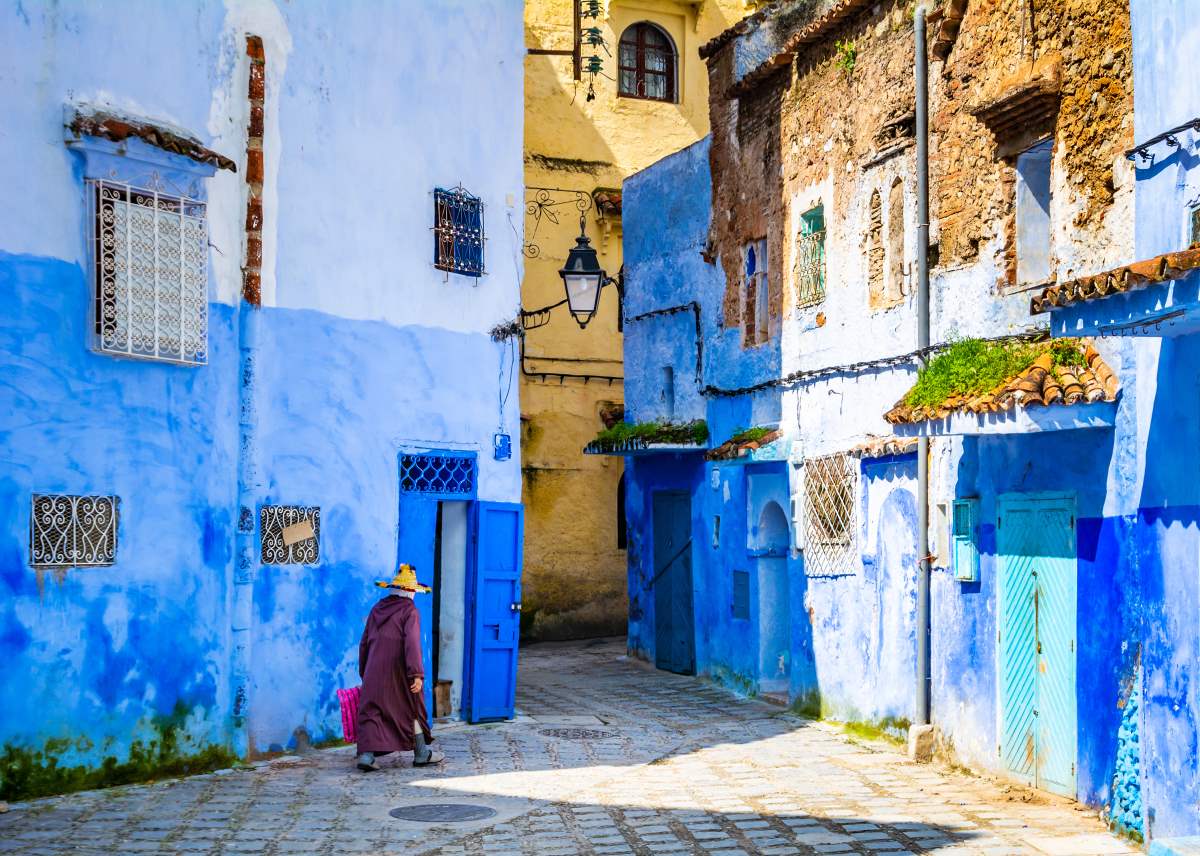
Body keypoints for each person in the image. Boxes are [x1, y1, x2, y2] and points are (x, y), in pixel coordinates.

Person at [355, 564, 444, 771]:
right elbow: (412, 643)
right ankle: (421, 753)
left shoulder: (377, 608)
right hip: (400, 671)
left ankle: (367, 756)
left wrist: (365, 671)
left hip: (374, 669)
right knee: (412, 708)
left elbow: (364, 641)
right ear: (410, 591)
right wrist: (417, 674)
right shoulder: (409, 611)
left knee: (372, 710)